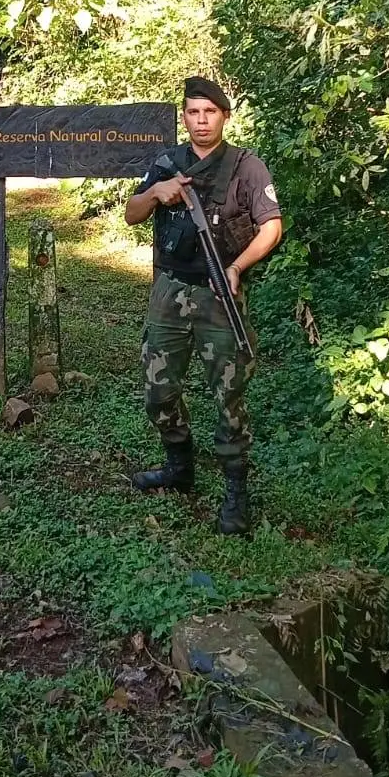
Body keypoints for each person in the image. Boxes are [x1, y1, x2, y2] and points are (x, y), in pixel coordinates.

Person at [125, 77, 282, 534]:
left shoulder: (246, 168)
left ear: (224, 117)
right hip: (170, 291)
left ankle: (236, 493)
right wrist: (157, 192)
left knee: (229, 395)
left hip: (219, 294)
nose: (200, 121)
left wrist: (237, 267)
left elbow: (271, 227)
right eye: (193, 113)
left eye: (209, 113)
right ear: (185, 116)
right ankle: (179, 465)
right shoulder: (168, 161)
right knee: (158, 390)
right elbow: (132, 213)